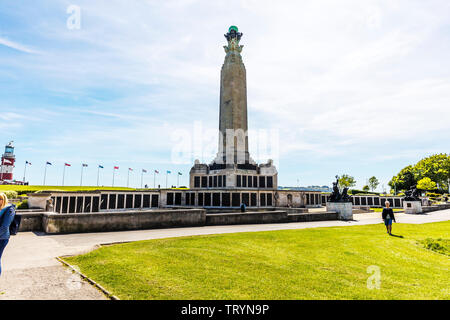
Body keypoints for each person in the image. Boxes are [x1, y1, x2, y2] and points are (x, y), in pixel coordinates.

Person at [0, 192, 16, 276]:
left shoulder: (9, 210)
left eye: (0, 199)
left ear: (4, 200)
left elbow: (5, 226)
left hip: (2, 238)